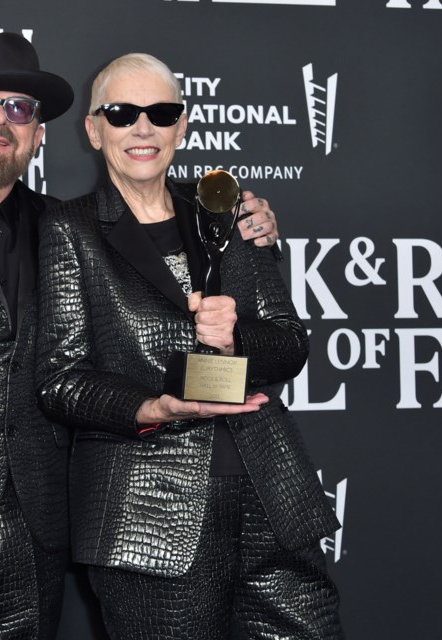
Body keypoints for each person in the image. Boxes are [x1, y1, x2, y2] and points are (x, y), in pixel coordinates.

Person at [0, 34, 280, 638]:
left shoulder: (68, 228)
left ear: (39, 133)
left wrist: (247, 218)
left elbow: (163, 225)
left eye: (18, 109)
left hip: (32, 536)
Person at [35, 53, 344, 639]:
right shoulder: (69, 229)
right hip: (151, 514)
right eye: (123, 113)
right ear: (94, 129)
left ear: (183, 124)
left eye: (162, 112)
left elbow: (289, 345)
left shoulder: (229, 214)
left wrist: (237, 338)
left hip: (271, 496)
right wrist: (154, 408)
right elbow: (60, 379)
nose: (143, 128)